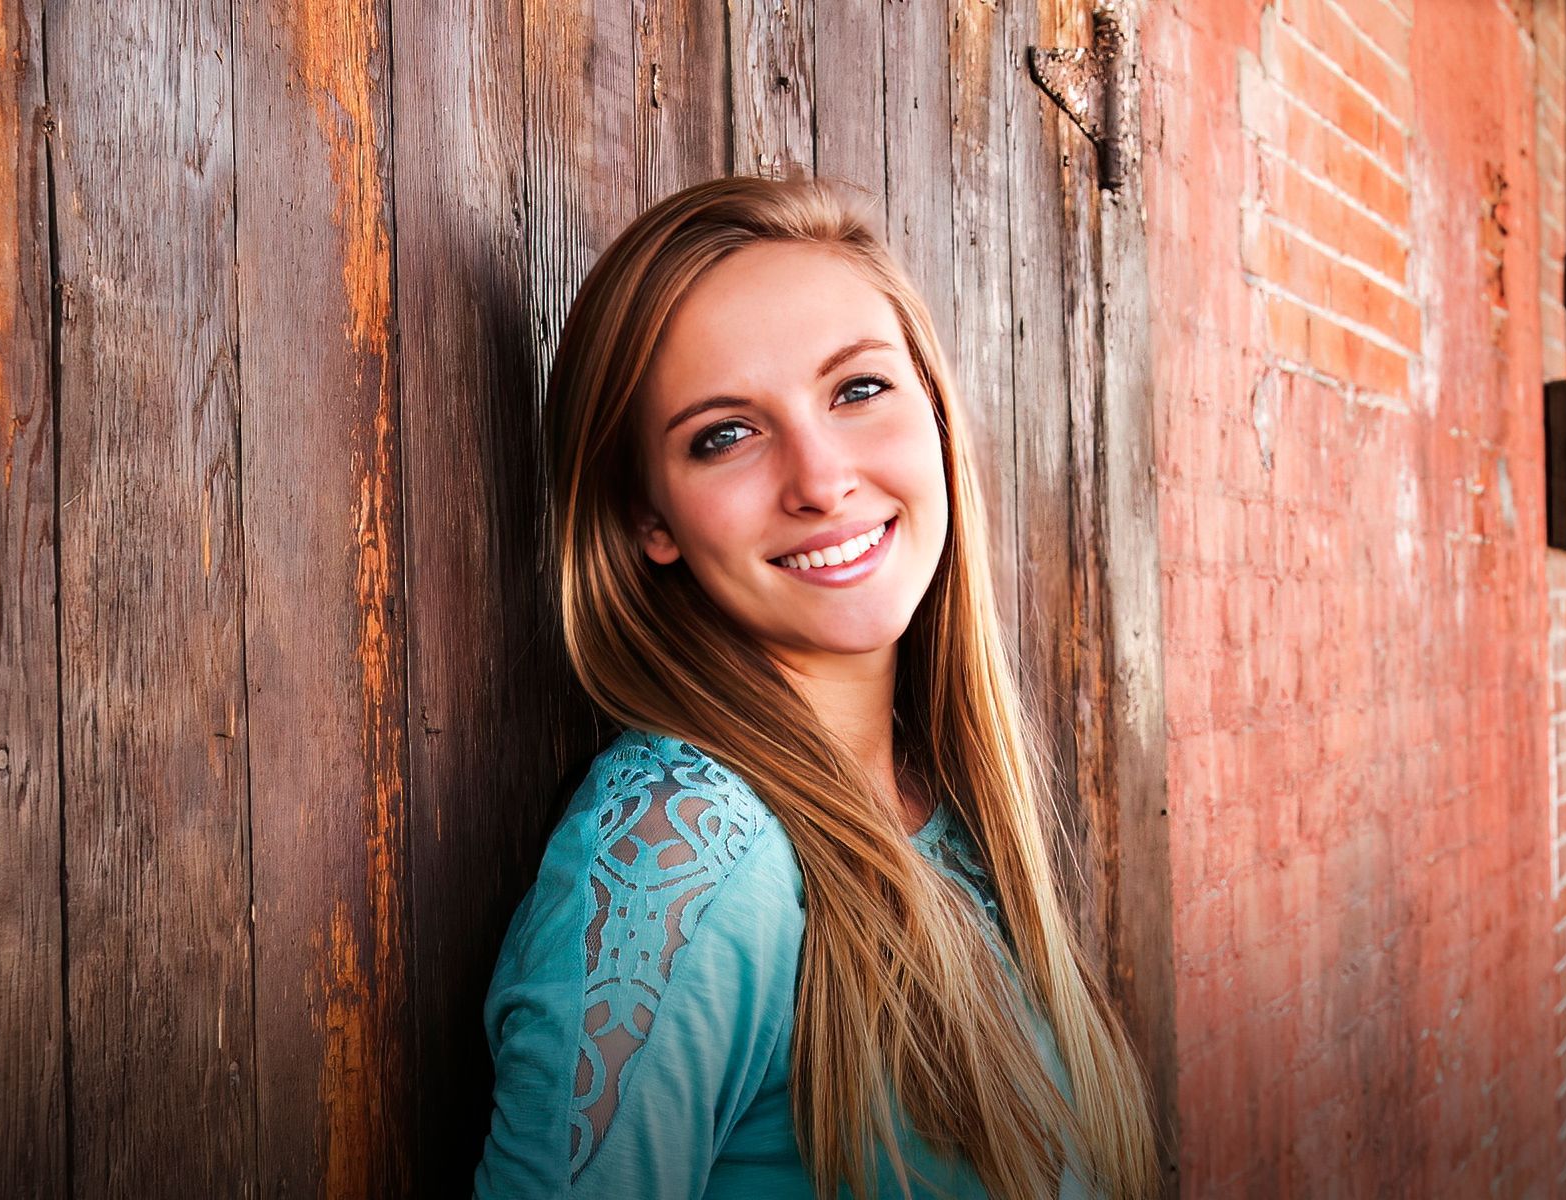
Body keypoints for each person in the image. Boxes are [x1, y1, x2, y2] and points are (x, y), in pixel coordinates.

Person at [472, 172, 1160, 1200]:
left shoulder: (942, 798)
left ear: (933, 410)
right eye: (724, 435)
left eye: (859, 390)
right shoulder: (679, 846)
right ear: (649, 520)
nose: (821, 478)